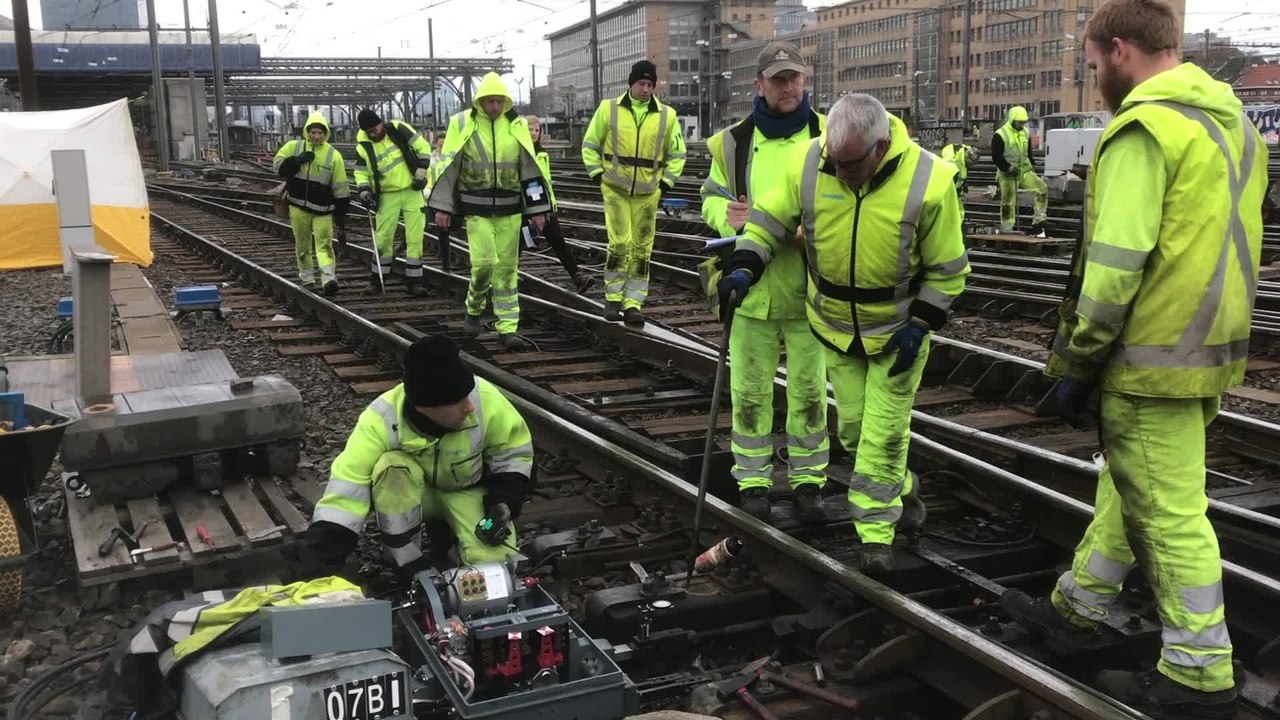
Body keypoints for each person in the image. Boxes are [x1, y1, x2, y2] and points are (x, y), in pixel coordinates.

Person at [999, 0, 1268, 715]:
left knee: (1170, 513)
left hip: (1150, 352)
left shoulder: (1143, 128)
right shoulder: (1233, 125)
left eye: (1093, 65)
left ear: (1119, 50)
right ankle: (1078, 606)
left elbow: (1115, 266)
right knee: (1131, 485)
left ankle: (1198, 672)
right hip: (1210, 344)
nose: (1095, 80)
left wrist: (1078, 360)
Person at [718, 93, 969, 573]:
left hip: (898, 333)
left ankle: (875, 538)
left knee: (883, 435)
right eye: (834, 162)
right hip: (834, 329)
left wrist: (921, 323)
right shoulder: (810, 162)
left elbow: (949, 270)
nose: (840, 172)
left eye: (850, 165)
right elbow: (767, 223)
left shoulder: (930, 180)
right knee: (853, 432)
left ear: (881, 147)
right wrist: (745, 265)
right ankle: (903, 489)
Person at [700, 42, 828, 522]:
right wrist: (726, 217)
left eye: (794, 77)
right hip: (749, 287)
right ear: (759, 85)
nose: (789, 86)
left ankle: (809, 482)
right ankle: (752, 482)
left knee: (810, 393)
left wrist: (812, 229)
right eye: (778, 79)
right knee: (750, 393)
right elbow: (710, 198)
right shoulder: (733, 143)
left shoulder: (828, 135)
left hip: (810, 289)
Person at [300, 334, 534, 578]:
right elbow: (348, 487)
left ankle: (451, 547)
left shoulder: (485, 399)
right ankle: (406, 562)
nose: (469, 406)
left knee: (494, 568)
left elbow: (513, 453)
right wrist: (321, 553)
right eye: (458, 401)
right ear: (425, 407)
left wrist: (503, 501)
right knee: (391, 466)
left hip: (466, 491)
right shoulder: (381, 418)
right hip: (415, 493)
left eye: (468, 395)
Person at [429, 73, 551, 351]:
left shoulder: (516, 125)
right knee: (484, 264)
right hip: (476, 209)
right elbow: (449, 166)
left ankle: (507, 329)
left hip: (510, 209)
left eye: (498, 101)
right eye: (489, 101)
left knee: (507, 270)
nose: (494, 106)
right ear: (480, 101)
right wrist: (442, 207)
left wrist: (537, 209)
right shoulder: (462, 123)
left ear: (505, 101)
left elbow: (529, 169)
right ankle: (473, 308)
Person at [581, 60, 687, 327]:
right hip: (615, 190)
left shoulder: (667, 116)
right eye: (641, 83)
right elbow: (590, 145)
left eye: (650, 84)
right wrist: (598, 176)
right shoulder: (609, 109)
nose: (646, 89)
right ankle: (613, 298)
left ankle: (633, 303)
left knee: (642, 249)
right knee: (619, 244)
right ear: (631, 83)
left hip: (648, 194)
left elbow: (677, 154)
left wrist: (664, 185)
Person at [353, 110, 433, 294]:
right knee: (383, 239)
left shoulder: (398, 129)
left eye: (375, 128)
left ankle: (415, 282)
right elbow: (361, 172)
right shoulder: (363, 147)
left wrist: (421, 172)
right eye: (369, 131)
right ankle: (376, 280)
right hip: (387, 195)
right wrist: (364, 190)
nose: (373, 133)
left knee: (415, 237)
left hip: (412, 190)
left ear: (381, 123)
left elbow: (423, 147)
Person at [272, 111, 349, 295]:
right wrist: (297, 161)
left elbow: (340, 187)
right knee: (302, 245)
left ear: (325, 133)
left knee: (324, 244)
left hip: (323, 210)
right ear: (307, 132)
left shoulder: (333, 155)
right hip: (298, 207)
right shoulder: (294, 147)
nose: (316, 136)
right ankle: (307, 279)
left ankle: (328, 279)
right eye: (313, 132)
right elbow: (278, 167)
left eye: (320, 133)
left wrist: (341, 215)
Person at [526, 115, 593, 294]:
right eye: (530, 129)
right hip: (526, 209)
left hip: (545, 207)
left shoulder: (542, 154)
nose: (534, 133)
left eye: (537, 130)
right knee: (516, 247)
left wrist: (548, 205)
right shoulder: (521, 153)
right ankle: (506, 282)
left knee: (559, 243)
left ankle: (577, 277)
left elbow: (545, 182)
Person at [991, 106, 1048, 236]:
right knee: (1008, 201)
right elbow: (996, 156)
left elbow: (1028, 152)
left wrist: (1032, 163)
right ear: (1012, 120)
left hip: (1023, 170)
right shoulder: (1000, 135)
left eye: (1024, 122)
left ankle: (1039, 221)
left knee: (1041, 189)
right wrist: (1007, 167)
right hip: (1007, 173)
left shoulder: (1025, 133)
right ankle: (1007, 228)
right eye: (1019, 122)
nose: (1022, 125)